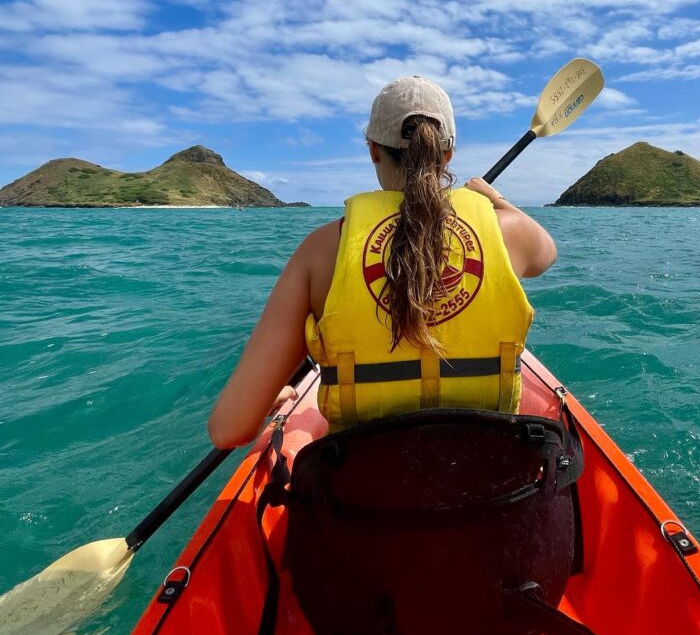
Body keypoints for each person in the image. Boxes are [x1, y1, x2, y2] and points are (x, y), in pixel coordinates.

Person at [208, 76, 557, 447]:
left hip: (364, 494)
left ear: (373, 149)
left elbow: (228, 430)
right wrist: (492, 199)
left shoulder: (320, 249)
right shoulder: (510, 233)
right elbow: (546, 253)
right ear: (448, 154)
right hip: (494, 481)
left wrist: (266, 396)